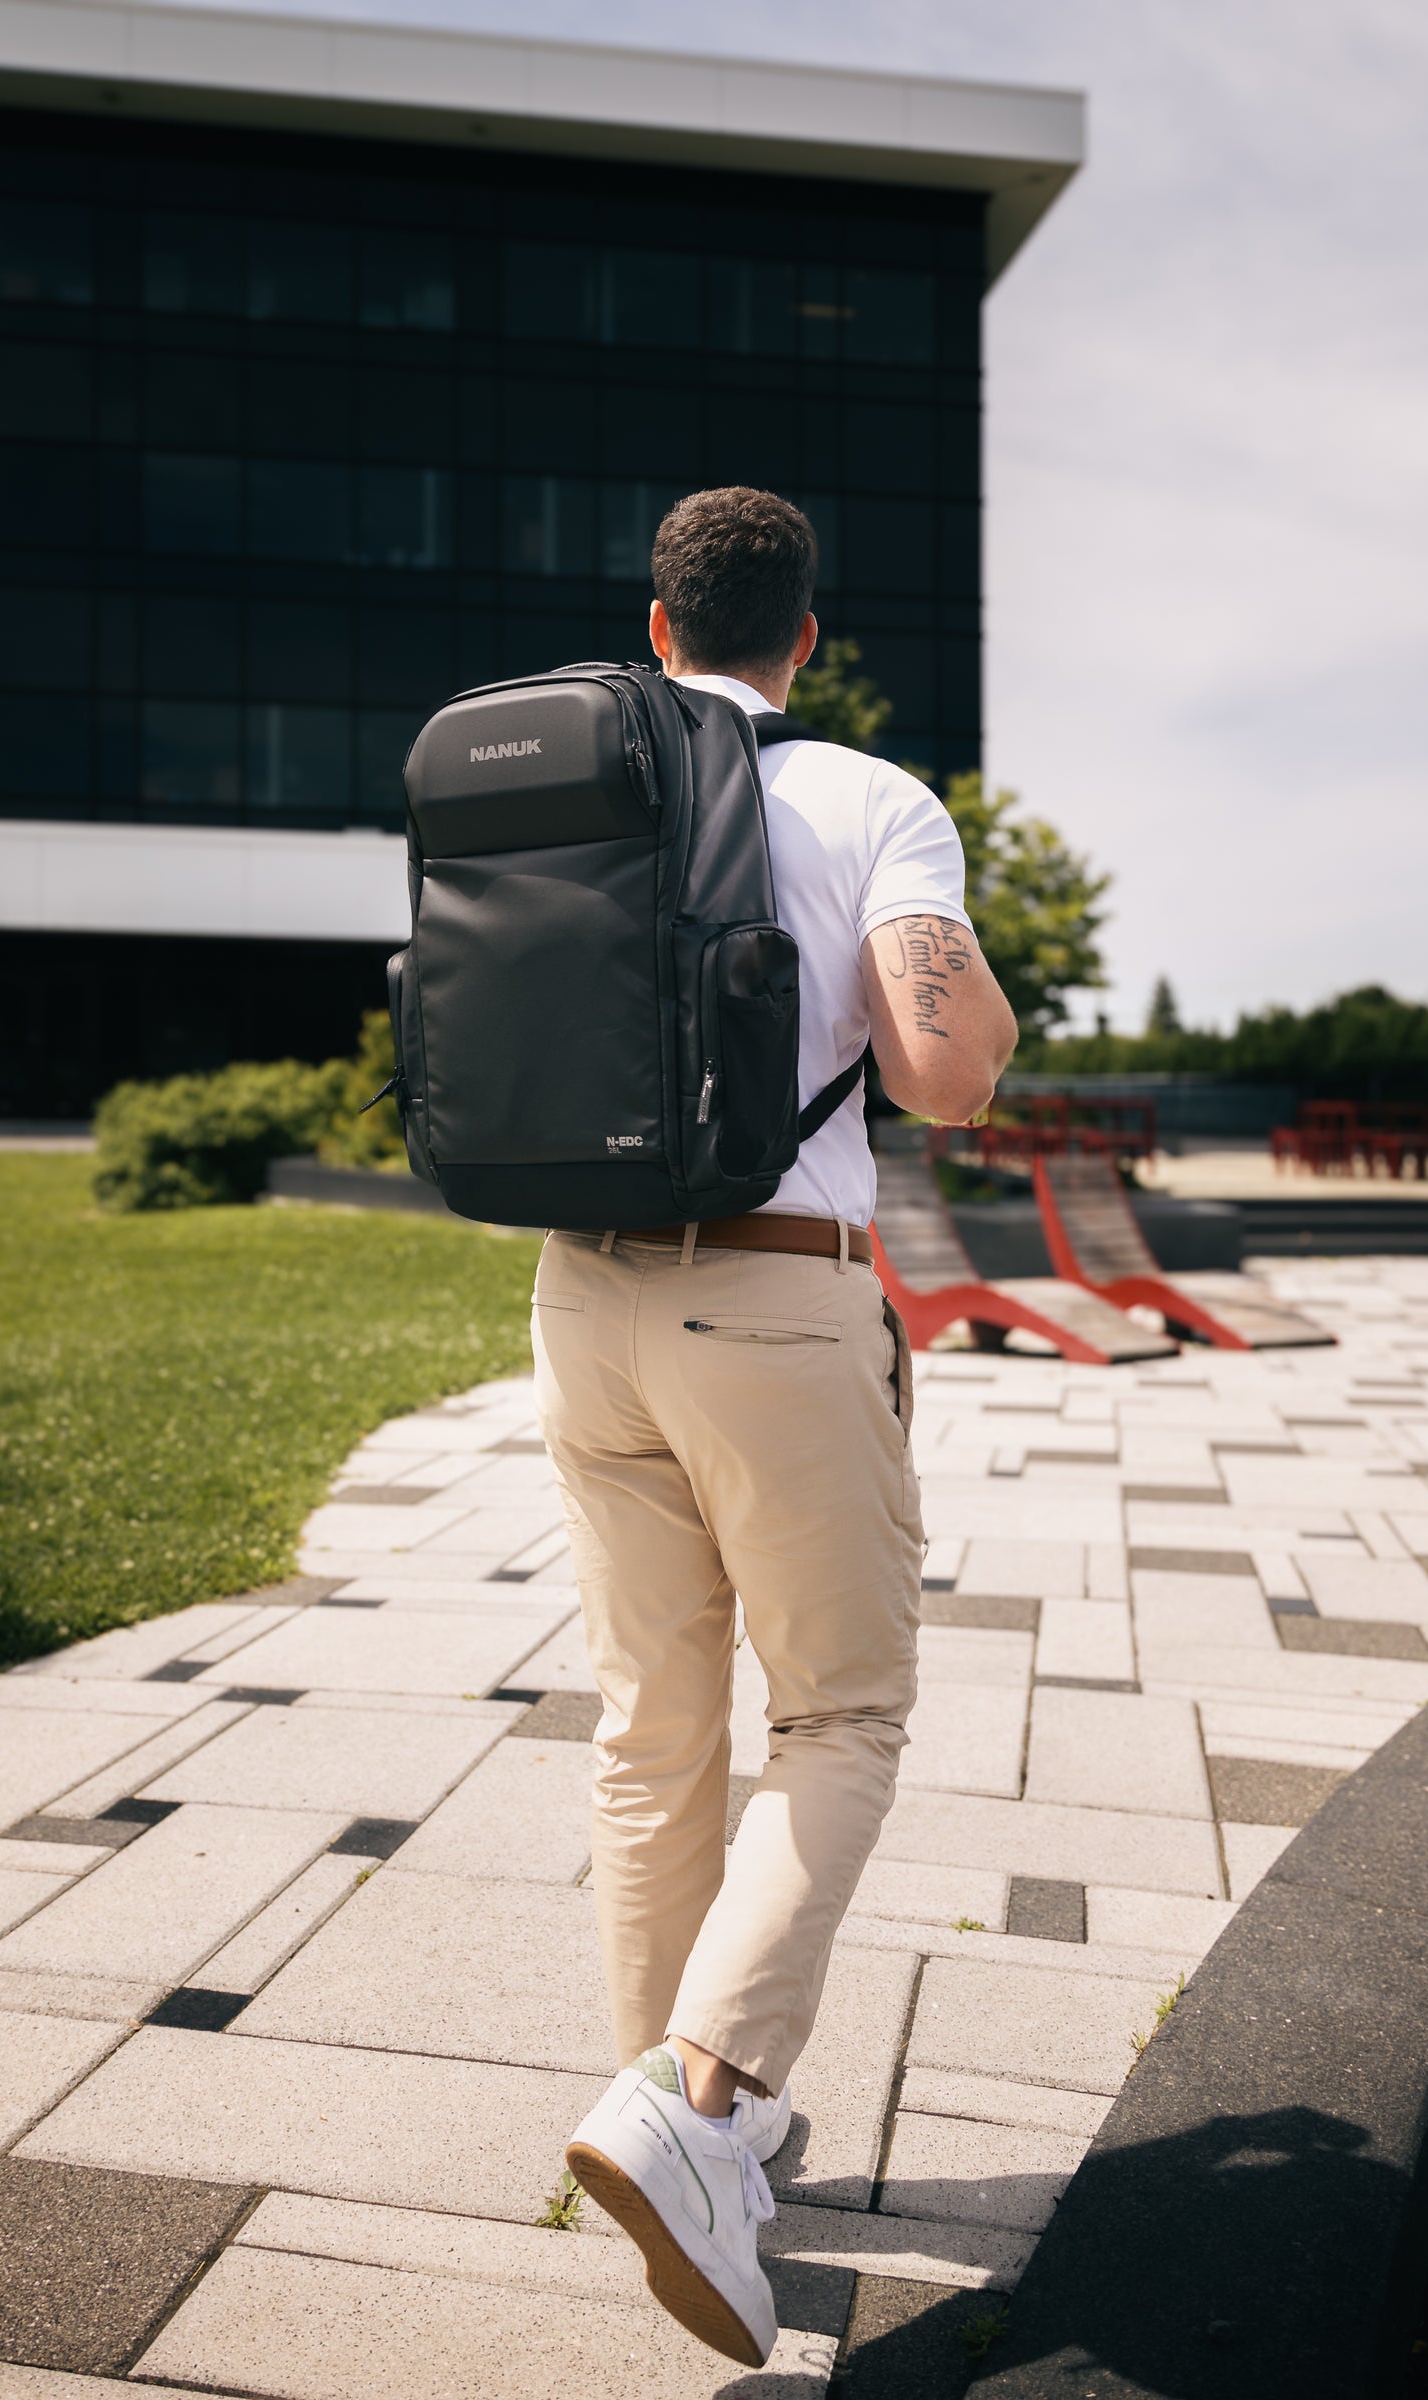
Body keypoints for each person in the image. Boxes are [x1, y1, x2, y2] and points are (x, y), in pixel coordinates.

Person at [537, 487, 1019, 2368]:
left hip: (584, 1297)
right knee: (842, 1711)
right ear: (801, 641)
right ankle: (702, 2104)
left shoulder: (579, 773)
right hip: (775, 1286)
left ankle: (660, 2120)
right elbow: (946, 1081)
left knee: (651, 1725)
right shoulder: (866, 799)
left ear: (656, 631)